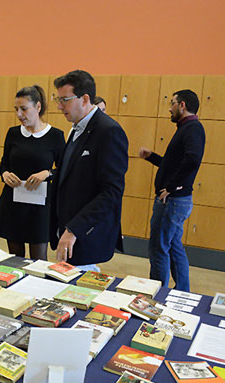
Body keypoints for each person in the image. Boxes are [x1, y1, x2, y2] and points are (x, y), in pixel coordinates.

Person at [50, 70, 129, 271]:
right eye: (58, 99)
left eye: (65, 100)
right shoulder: (76, 128)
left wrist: (74, 229)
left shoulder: (108, 131)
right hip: (68, 231)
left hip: (84, 233)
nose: (59, 106)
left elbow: (111, 192)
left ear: (85, 99)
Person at [139, 89, 205, 292]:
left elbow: (192, 160)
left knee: (159, 248)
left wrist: (172, 187)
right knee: (174, 247)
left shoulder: (192, 128)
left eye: (172, 103)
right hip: (177, 200)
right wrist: (152, 157)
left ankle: (157, 294)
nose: (170, 108)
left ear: (182, 105)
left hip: (173, 201)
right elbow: (173, 164)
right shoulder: (185, 128)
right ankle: (182, 292)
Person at [0, 85, 64, 260]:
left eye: (24, 109)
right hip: (13, 203)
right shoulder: (13, 133)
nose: (19, 114)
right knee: (15, 259)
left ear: (38, 107)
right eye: (16, 109)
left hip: (39, 207)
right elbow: (4, 164)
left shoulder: (55, 136)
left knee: (39, 260)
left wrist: (46, 173)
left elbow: (63, 170)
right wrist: (5, 174)